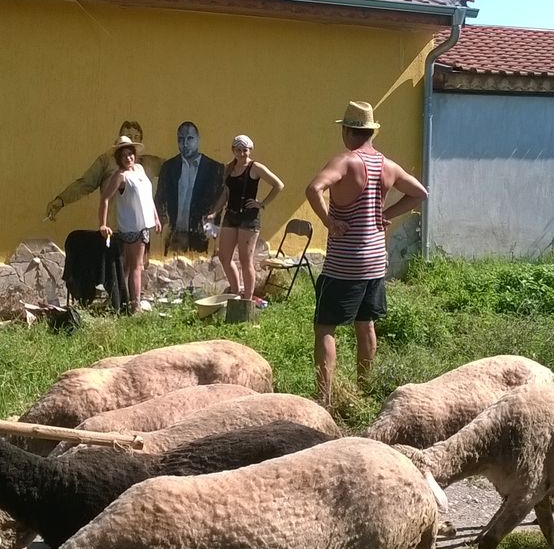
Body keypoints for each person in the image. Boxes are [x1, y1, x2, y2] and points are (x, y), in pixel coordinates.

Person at [305, 102, 429, 408]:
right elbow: (420, 194)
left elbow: (314, 188)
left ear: (348, 131)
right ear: (371, 132)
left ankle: (325, 397)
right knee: (366, 324)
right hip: (375, 259)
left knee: (325, 326)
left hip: (344, 262)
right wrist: (386, 213)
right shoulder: (386, 165)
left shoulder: (346, 162)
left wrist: (329, 222)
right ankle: (365, 387)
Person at [203, 134, 285, 301]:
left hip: (249, 218)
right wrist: (215, 211)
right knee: (224, 256)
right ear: (233, 150)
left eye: (245, 150)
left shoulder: (255, 167)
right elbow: (226, 193)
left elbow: (278, 185)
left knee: (245, 260)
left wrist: (262, 203)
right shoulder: (229, 168)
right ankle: (235, 290)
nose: (241, 154)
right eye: (238, 150)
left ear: (250, 150)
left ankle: (247, 300)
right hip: (230, 215)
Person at [44, 120, 162, 221]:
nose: (133, 142)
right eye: (129, 137)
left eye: (137, 138)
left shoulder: (149, 163)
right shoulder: (106, 160)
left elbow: (173, 168)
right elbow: (85, 184)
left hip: (141, 231)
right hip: (116, 228)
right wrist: (61, 200)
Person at [99, 136, 161, 312]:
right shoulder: (121, 176)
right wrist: (102, 224)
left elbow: (147, 196)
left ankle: (118, 300)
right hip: (131, 226)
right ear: (119, 158)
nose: (128, 158)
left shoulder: (139, 170)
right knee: (137, 266)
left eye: (130, 154)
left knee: (126, 265)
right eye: (124, 155)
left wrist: (155, 217)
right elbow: (105, 198)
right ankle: (135, 306)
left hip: (144, 224)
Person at [154, 121, 224, 254]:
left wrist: (213, 231)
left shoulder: (214, 169)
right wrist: (164, 227)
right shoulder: (169, 167)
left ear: (198, 140)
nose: (185, 144)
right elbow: (160, 199)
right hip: (174, 235)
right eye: (180, 139)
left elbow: (219, 201)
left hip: (201, 233)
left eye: (189, 138)